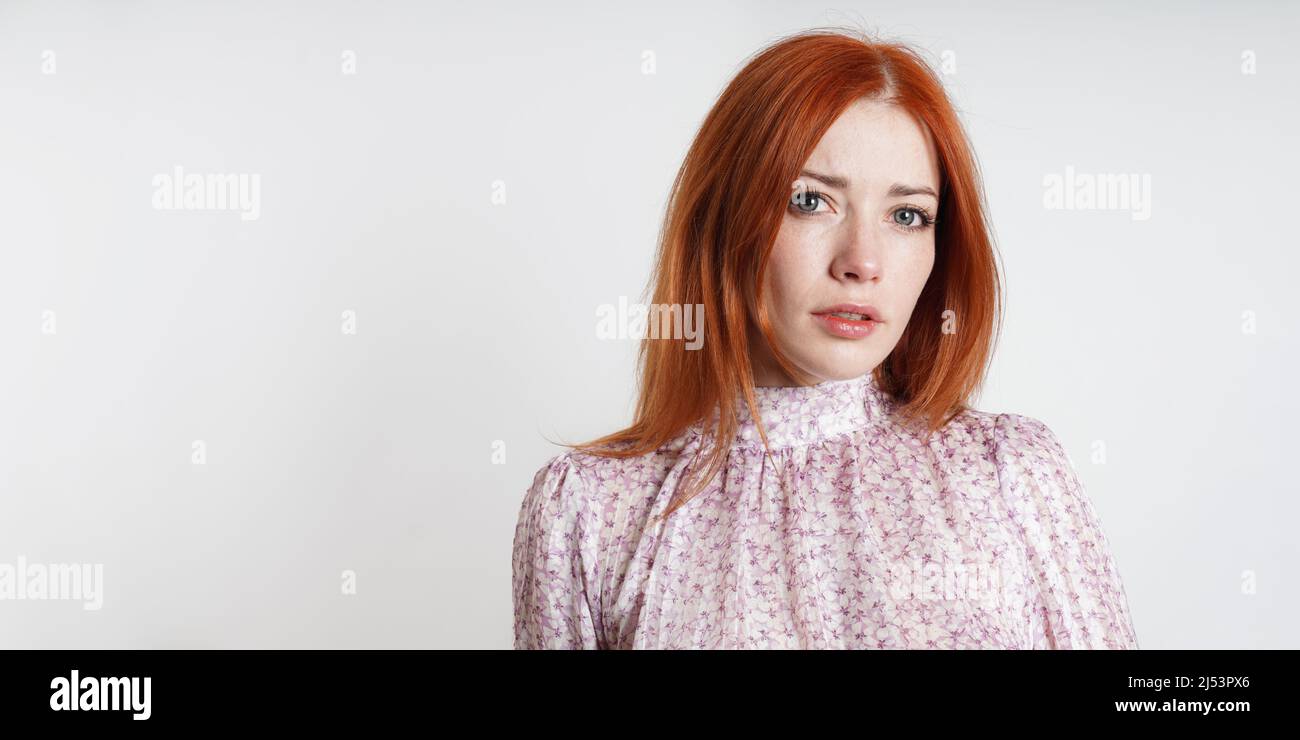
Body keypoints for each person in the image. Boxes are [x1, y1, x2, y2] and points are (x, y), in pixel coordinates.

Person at [512, 27, 1139, 649]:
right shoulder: (588, 511)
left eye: (907, 215)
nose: (863, 261)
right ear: (723, 220)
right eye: (810, 201)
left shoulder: (1010, 473)